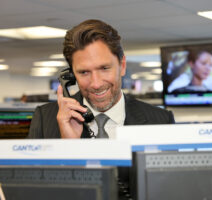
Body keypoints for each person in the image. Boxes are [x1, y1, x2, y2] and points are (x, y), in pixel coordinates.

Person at [28, 19, 175, 139]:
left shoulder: (161, 120)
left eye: (104, 68)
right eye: (84, 72)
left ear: (122, 66)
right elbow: (32, 175)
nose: (96, 84)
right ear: (72, 74)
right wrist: (69, 146)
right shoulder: (45, 119)